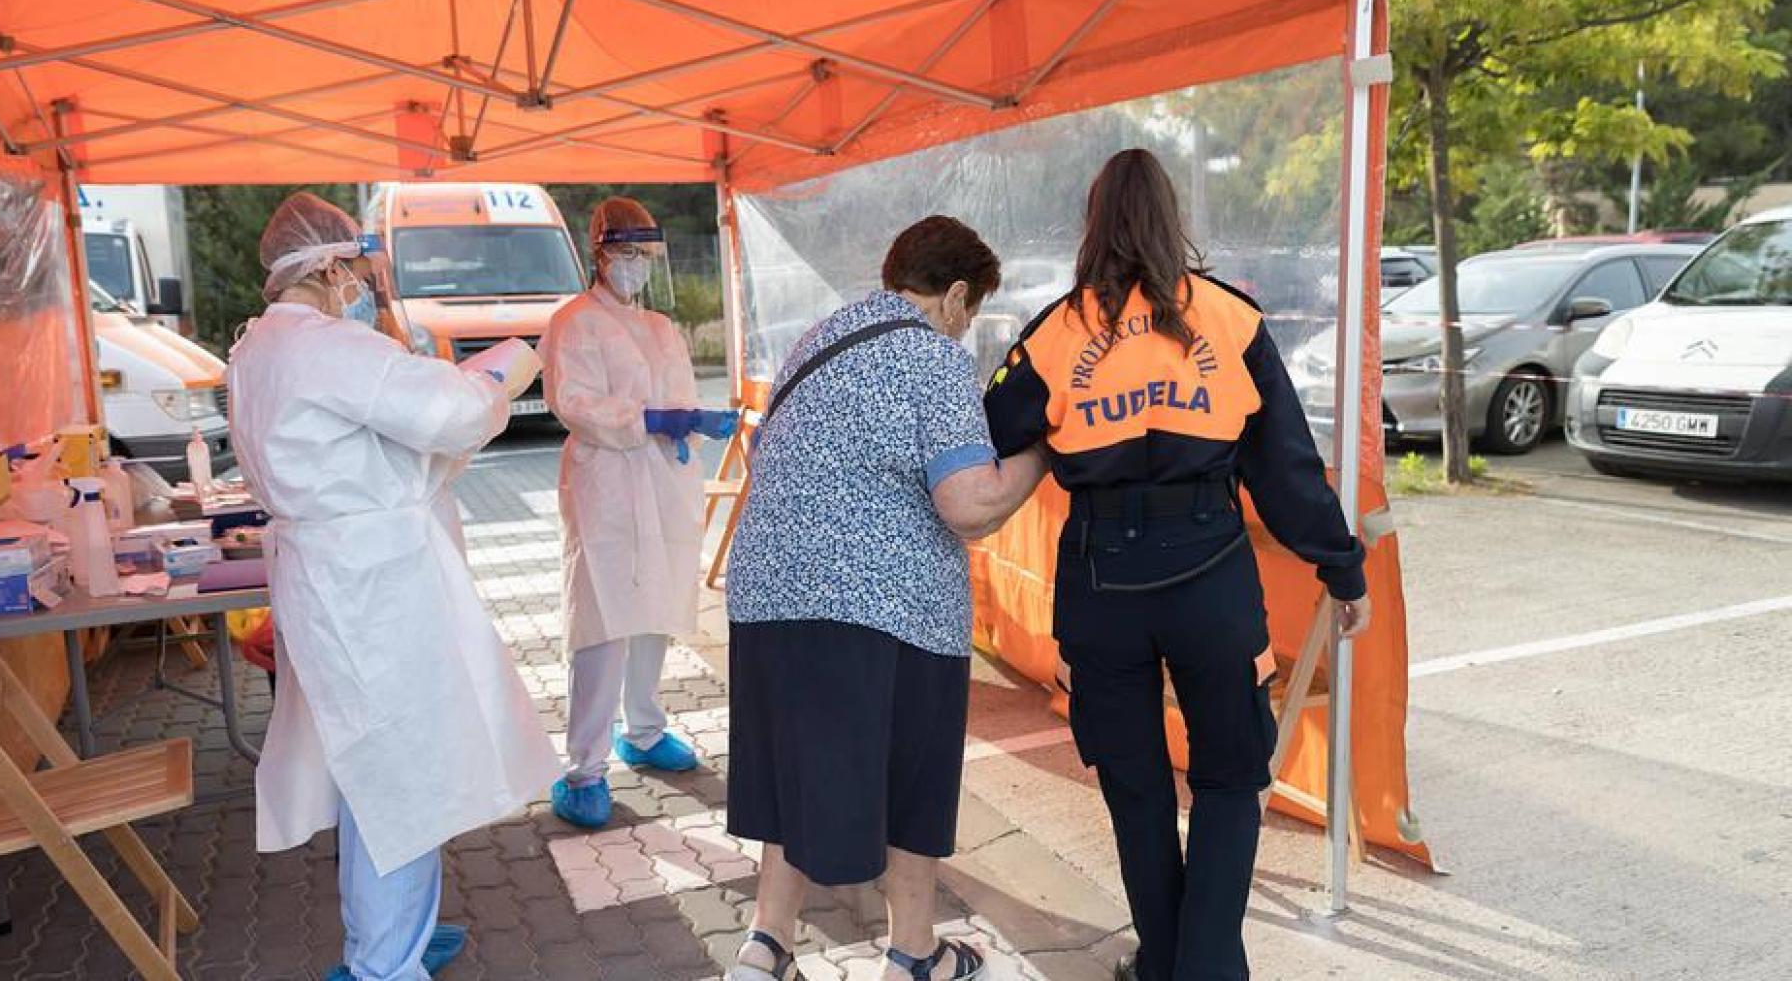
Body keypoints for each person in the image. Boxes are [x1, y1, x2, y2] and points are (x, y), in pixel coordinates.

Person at [981, 150, 1372, 981]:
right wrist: (1343, 568)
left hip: (1100, 581)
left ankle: (1169, 965)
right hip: (1210, 576)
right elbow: (1287, 472)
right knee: (1232, 780)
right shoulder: (1231, 319)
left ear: (1093, 224)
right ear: (1171, 218)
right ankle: (1203, 970)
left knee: (1136, 787)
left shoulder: (1054, 331)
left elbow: (992, 430)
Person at [227, 193, 560, 981]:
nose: (368, 282)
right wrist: (499, 378)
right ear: (334, 265)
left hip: (333, 580)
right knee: (400, 776)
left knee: (372, 771)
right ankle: (384, 962)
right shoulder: (322, 347)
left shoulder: (257, 349)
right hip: (371, 591)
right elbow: (445, 412)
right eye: (362, 266)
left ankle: (392, 937)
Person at [725, 216, 1048, 981]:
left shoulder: (819, 339)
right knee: (911, 780)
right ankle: (913, 953)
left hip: (768, 595)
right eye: (971, 313)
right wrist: (1039, 455)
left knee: (789, 776)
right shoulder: (930, 358)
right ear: (957, 296)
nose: (966, 330)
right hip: (876, 607)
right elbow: (969, 505)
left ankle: (764, 947)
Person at [538, 197, 732, 829]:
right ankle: (584, 769)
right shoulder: (573, 322)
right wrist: (646, 420)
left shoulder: (659, 327)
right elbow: (574, 403)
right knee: (603, 621)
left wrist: (692, 421)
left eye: (645, 256)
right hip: (608, 490)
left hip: (663, 484)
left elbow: (676, 397)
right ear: (599, 254)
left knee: (655, 610)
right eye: (626, 254)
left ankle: (644, 729)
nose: (637, 267)